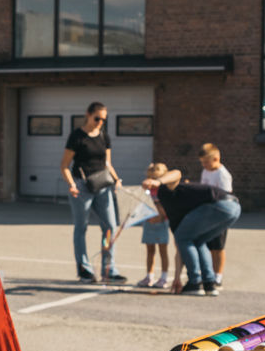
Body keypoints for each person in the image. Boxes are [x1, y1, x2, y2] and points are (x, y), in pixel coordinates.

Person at [142, 166, 240, 295]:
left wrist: (158, 182)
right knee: (197, 241)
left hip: (219, 204)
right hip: (233, 208)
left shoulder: (166, 190)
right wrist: (177, 278)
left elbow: (177, 172)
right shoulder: (174, 218)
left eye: (154, 213)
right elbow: (180, 251)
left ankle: (194, 283)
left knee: (184, 238)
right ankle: (209, 284)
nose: (153, 218)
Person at [60, 102, 126, 283]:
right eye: (97, 118)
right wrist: (72, 184)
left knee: (110, 227)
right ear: (88, 114)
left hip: (102, 185)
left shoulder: (104, 136)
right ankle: (84, 269)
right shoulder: (77, 136)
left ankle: (109, 269)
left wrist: (117, 179)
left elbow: (107, 163)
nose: (100, 122)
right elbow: (64, 166)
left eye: (103, 119)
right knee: (81, 227)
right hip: (81, 186)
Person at [197, 143, 233, 284]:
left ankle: (218, 275)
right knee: (208, 246)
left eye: (206, 162)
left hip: (219, 214)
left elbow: (225, 195)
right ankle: (209, 273)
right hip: (208, 214)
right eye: (202, 163)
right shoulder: (205, 172)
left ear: (216, 159)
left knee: (218, 247)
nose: (204, 165)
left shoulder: (222, 174)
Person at [138, 161, 172, 288]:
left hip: (161, 223)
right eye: (151, 178)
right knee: (149, 251)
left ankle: (164, 277)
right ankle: (149, 276)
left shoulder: (164, 190)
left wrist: (160, 213)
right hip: (149, 223)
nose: (152, 182)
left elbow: (165, 208)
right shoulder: (147, 191)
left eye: (156, 179)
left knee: (163, 251)